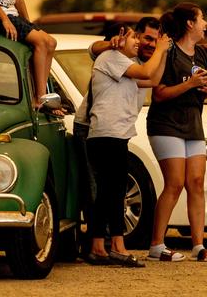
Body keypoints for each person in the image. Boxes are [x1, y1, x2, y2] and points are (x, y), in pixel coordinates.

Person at [85, 27, 170, 267]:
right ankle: (118, 247)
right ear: (119, 38)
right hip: (107, 133)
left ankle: (99, 247)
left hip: (114, 134)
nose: (136, 42)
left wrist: (162, 54)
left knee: (108, 192)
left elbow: (152, 79)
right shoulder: (111, 57)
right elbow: (145, 71)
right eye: (133, 37)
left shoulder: (125, 63)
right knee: (113, 192)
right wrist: (161, 49)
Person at [146, 2, 207, 263]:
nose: (205, 24)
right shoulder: (169, 51)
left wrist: (206, 87)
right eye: (202, 19)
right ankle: (156, 245)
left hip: (192, 124)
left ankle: (199, 245)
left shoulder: (201, 53)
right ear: (190, 23)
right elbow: (160, 92)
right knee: (175, 183)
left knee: (196, 183)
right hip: (166, 124)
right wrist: (190, 84)